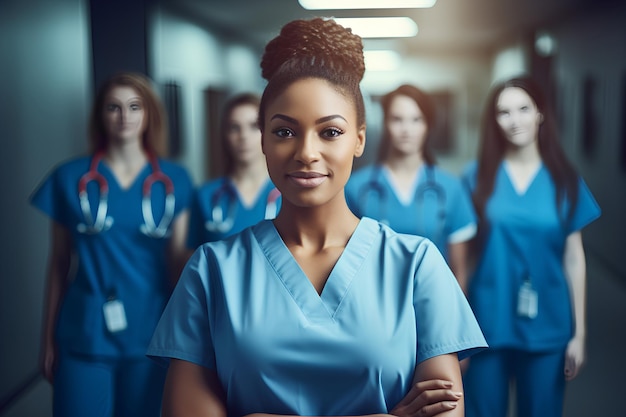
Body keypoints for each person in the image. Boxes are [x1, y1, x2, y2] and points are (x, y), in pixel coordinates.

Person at [148, 18, 487, 417]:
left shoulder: (417, 265)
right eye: (285, 132)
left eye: (330, 133)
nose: (306, 152)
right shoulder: (211, 272)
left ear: (359, 139)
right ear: (262, 140)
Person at [30, 72, 194, 417]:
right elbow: (58, 263)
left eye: (135, 107)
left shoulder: (175, 180)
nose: (125, 117)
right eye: (113, 107)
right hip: (83, 331)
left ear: (149, 114)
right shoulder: (68, 178)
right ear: (100, 115)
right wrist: (47, 338)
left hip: (151, 329)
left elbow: (177, 262)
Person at [461, 76, 601, 417]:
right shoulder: (476, 177)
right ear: (494, 121)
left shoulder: (565, 181)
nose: (514, 120)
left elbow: (574, 259)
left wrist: (579, 334)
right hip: (487, 321)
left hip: (548, 325)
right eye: (503, 112)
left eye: (523, 109)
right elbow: (461, 259)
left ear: (540, 114)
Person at [345, 84, 476, 291]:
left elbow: (459, 273)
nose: (406, 130)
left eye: (416, 120)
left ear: (428, 125)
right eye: (397, 119)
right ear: (385, 123)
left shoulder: (451, 189)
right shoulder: (356, 188)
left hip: (434, 301)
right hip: (372, 302)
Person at [187, 93, 280, 248]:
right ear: (225, 135)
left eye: (254, 126)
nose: (243, 136)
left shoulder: (289, 194)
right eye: (234, 128)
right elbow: (192, 257)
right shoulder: (206, 195)